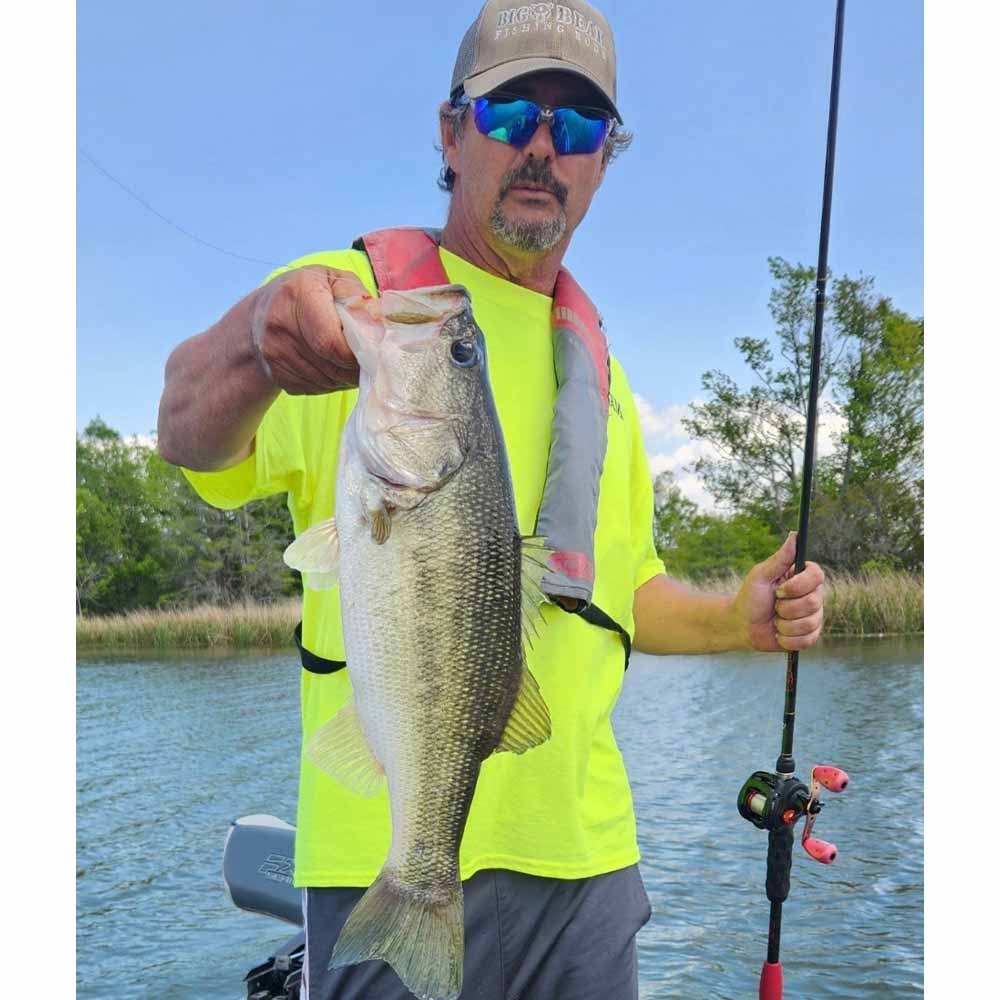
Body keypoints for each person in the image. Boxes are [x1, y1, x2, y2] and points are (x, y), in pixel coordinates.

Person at [157, 2, 825, 997]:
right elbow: (184, 432)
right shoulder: (358, 308)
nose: (545, 148)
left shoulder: (601, 379)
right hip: (381, 846)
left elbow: (623, 589)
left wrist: (737, 616)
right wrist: (255, 339)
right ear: (450, 130)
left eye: (581, 126)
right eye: (513, 115)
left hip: (587, 860)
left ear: (606, 157)